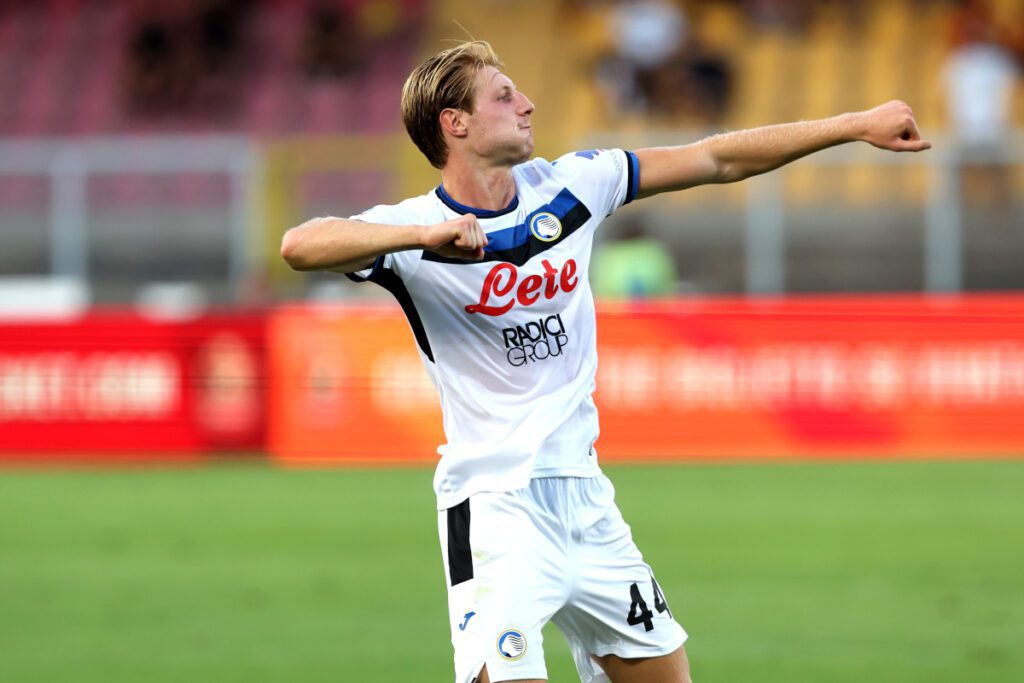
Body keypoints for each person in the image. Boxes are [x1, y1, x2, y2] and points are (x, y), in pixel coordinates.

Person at [280, 40, 930, 683]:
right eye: (504, 96)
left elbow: (715, 157)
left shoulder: (573, 186)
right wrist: (420, 237)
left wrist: (854, 125)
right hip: (497, 513)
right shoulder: (414, 228)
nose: (528, 104)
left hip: (588, 503)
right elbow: (301, 245)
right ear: (456, 124)